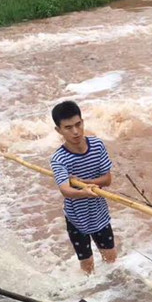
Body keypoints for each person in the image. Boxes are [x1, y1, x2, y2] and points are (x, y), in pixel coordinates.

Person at [50, 100, 117, 274]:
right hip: (76, 219)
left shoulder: (97, 145)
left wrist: (84, 183)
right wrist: (84, 193)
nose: (75, 131)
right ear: (59, 130)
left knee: (111, 260)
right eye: (68, 127)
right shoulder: (59, 159)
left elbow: (107, 179)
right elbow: (65, 190)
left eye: (78, 124)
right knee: (87, 267)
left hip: (100, 214)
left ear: (83, 121)